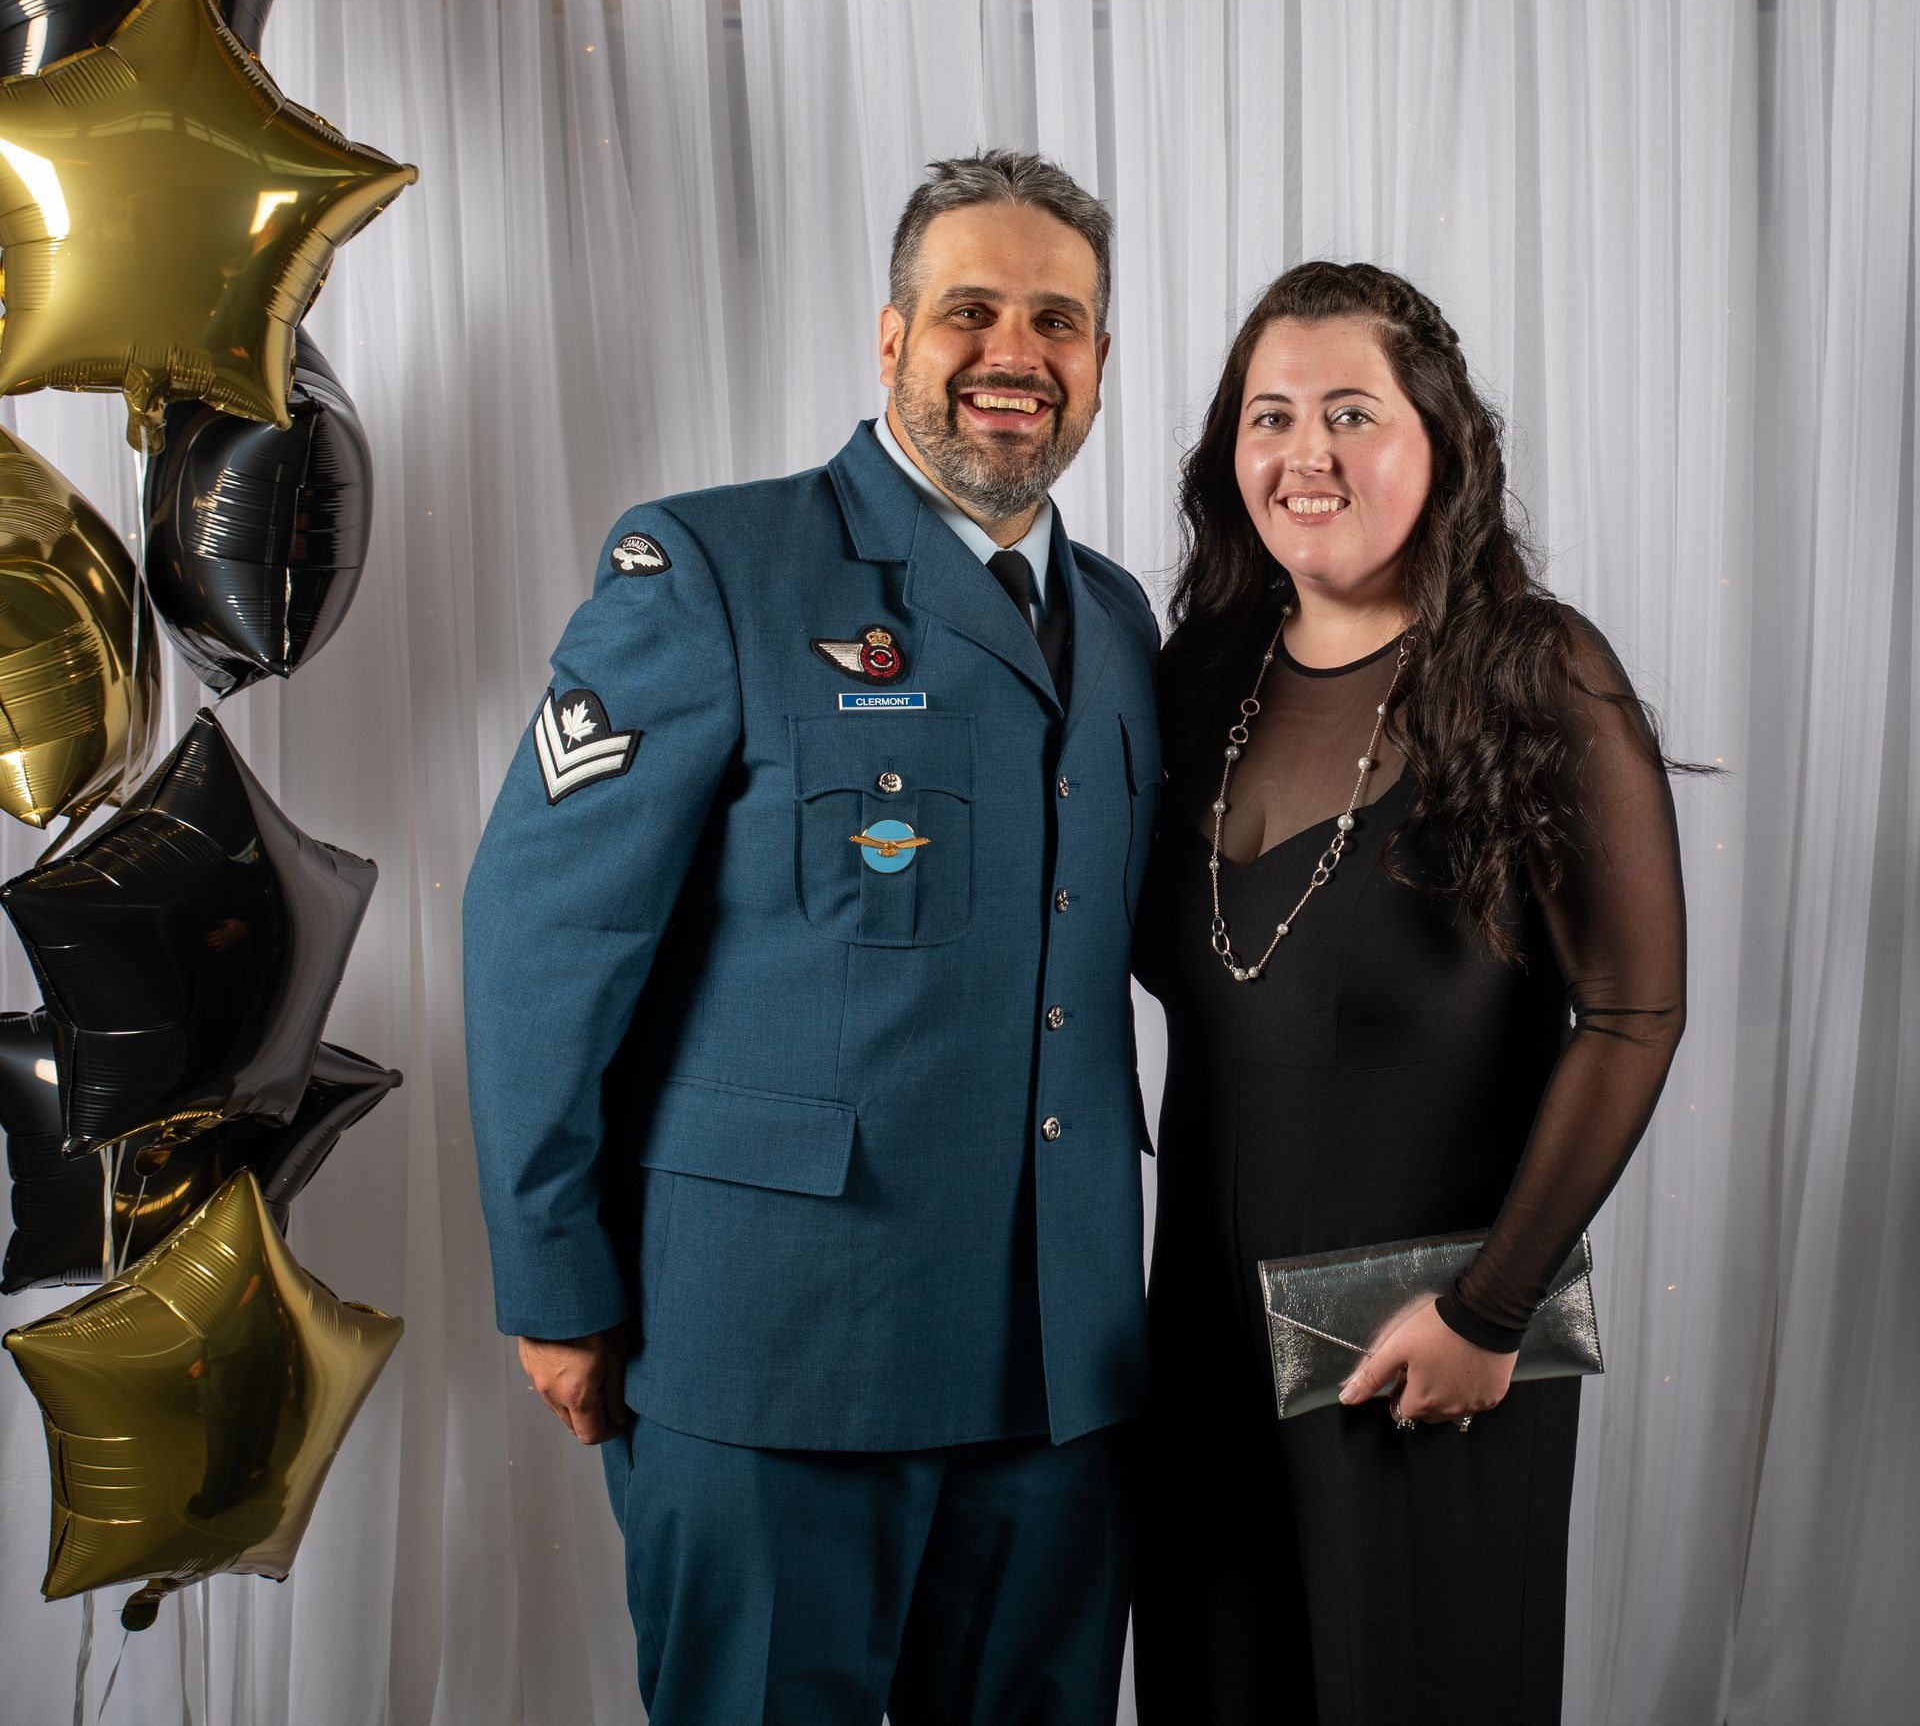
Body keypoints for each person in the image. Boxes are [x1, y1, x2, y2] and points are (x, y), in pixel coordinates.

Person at [462, 150, 1161, 1726]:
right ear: (893, 336)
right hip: (778, 1353)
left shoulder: (1119, 623)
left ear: (1100, 366)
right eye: (971, 309)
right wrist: (554, 1282)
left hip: (1055, 1378)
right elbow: (540, 934)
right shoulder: (713, 568)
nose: (1014, 354)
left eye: (1059, 322)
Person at [1131, 261, 1689, 1724]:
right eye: (1269, 416)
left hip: (1425, 1338)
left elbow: (1633, 1012)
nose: (1303, 453)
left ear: (1440, 443)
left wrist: (1494, 1310)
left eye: (1350, 413)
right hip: (1198, 1336)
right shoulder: (1197, 681)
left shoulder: (1538, 673)